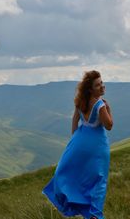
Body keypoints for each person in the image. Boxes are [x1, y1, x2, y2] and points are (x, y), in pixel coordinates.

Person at [42, 70, 113, 219]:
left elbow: (75, 120)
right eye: (98, 85)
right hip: (97, 146)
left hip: (79, 140)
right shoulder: (100, 105)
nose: (102, 87)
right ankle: (94, 214)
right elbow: (109, 125)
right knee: (98, 179)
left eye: (102, 83)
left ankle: (68, 201)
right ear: (90, 89)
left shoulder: (80, 101)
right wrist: (109, 109)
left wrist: (75, 141)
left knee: (74, 173)